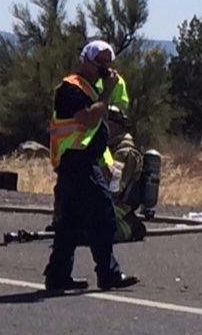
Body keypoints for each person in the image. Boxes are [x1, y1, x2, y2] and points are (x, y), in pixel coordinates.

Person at [43, 40, 139, 292]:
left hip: (86, 161)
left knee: (70, 223)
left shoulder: (94, 88)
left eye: (108, 62)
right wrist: (106, 93)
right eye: (99, 62)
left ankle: (57, 276)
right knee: (104, 216)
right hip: (76, 162)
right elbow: (87, 119)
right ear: (85, 60)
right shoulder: (71, 88)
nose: (104, 67)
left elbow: (114, 111)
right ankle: (108, 274)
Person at [106, 105, 147, 243]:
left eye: (107, 123)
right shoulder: (110, 147)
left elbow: (115, 186)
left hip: (120, 205)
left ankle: (131, 226)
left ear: (117, 126)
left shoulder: (124, 152)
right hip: (112, 202)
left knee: (99, 235)